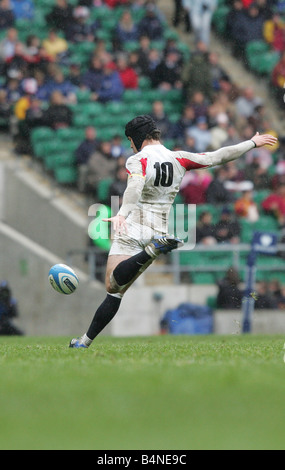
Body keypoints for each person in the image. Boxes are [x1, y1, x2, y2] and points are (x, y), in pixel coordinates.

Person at [69, 115, 277, 348]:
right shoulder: (179, 157)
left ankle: (148, 253)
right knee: (117, 292)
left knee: (112, 285)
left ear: (136, 138)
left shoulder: (137, 159)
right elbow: (218, 156)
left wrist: (122, 213)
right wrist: (251, 143)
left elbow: (135, 187)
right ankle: (84, 342)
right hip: (158, 230)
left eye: (130, 140)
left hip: (134, 225)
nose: (129, 145)